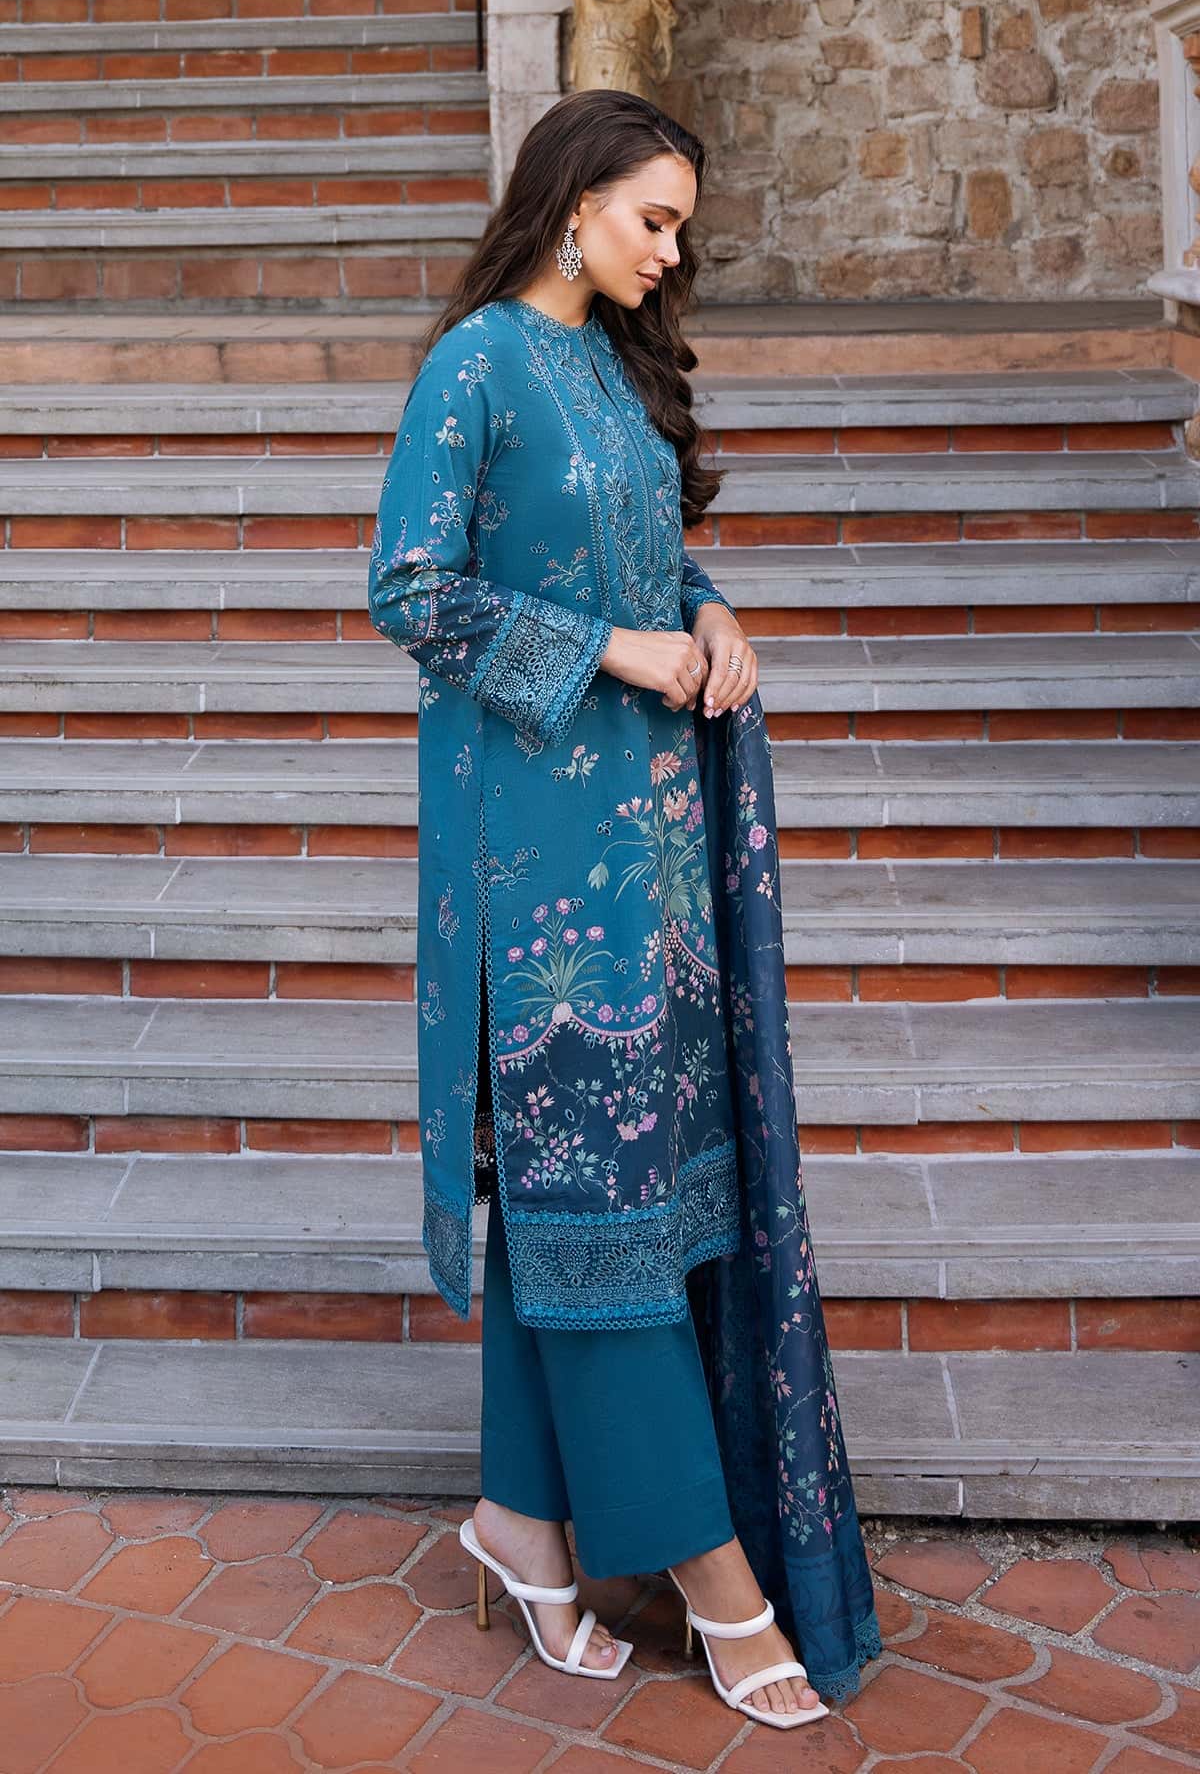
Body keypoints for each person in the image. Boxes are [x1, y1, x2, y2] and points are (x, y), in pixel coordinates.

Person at [368, 87, 880, 1728]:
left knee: (609, 1206)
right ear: (573, 197)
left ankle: (521, 1525)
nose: (670, 251)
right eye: (652, 218)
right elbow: (410, 589)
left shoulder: (609, 367)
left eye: (679, 227)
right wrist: (617, 651)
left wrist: (712, 617)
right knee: (596, 1212)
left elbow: (649, 564)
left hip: (648, 859)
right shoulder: (477, 366)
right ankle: (719, 1586)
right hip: (538, 879)